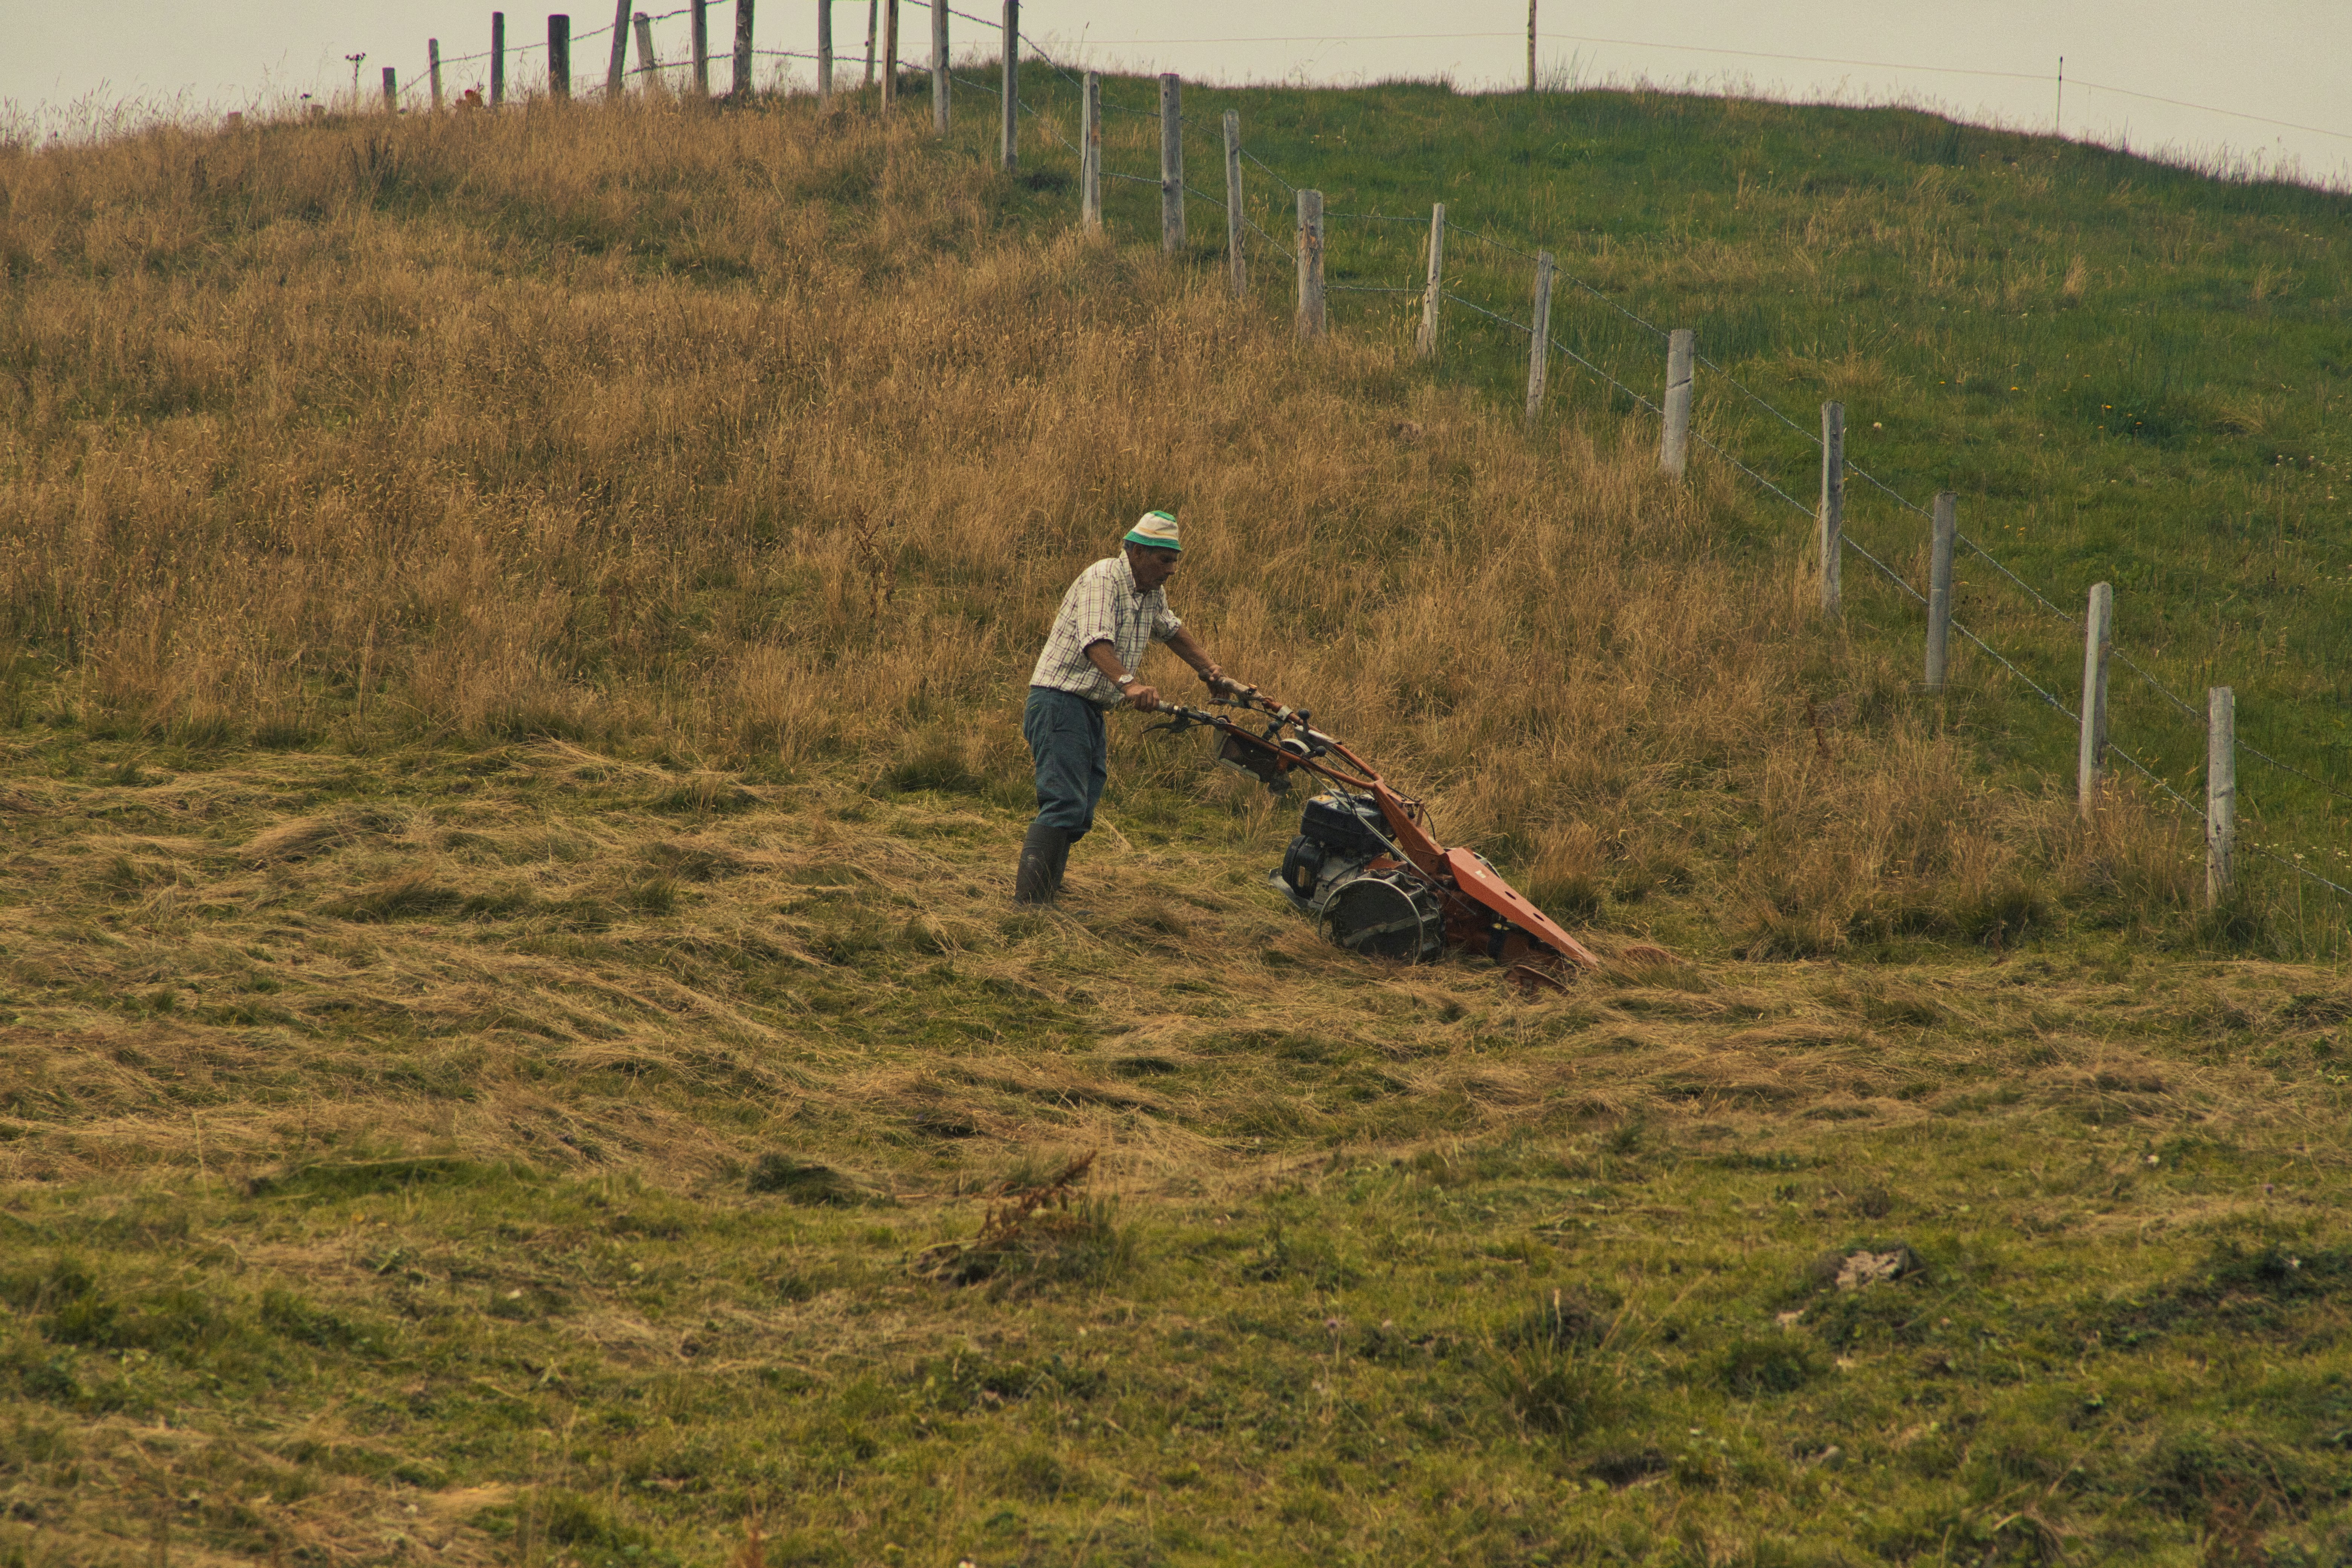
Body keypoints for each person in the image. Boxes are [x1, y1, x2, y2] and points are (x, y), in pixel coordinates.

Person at [1015, 510, 1242, 905]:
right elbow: (1094, 640)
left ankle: (1045, 894)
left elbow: (1170, 629)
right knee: (1064, 802)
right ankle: (1031, 904)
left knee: (1081, 807)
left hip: (1087, 708)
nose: (1172, 570)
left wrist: (1211, 671)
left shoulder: (1149, 591)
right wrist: (1129, 683)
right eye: (1164, 560)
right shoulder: (1104, 579)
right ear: (1136, 551)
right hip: (1058, 701)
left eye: (1175, 561)